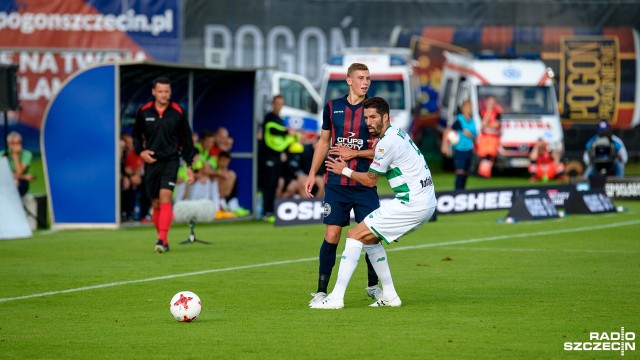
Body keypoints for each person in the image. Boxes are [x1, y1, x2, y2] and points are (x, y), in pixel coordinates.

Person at [311, 96, 437, 309]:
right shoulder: (397, 133)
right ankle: (389, 295)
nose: (368, 122)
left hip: (411, 204)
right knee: (370, 240)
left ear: (385, 117)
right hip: (424, 202)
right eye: (366, 117)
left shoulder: (386, 143)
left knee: (354, 235)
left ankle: (335, 298)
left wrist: (344, 170)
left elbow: (370, 180)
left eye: (373, 117)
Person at [304, 63, 382, 307]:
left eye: (368, 78)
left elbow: (383, 148)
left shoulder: (374, 110)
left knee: (371, 236)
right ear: (349, 80)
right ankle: (320, 291)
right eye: (360, 78)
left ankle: (373, 287)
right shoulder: (333, 107)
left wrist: (353, 153)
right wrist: (311, 173)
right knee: (332, 234)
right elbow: (324, 141)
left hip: (364, 182)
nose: (365, 82)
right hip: (336, 183)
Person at [133, 77, 196, 253]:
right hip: (152, 162)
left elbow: (187, 139)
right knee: (155, 202)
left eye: (167, 91)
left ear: (170, 92)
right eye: (160, 91)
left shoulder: (178, 111)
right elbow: (136, 135)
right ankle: (163, 240)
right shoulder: (144, 111)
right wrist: (141, 152)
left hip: (171, 160)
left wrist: (189, 165)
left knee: (165, 196)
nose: (164, 95)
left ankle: (161, 238)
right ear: (154, 92)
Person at [259, 95, 298, 222]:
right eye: (277, 103)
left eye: (281, 103)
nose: (278, 105)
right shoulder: (269, 118)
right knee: (268, 184)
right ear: (273, 103)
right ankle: (266, 212)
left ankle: (271, 211)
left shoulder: (280, 119)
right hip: (268, 156)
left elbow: (279, 141)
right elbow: (274, 132)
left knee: (275, 183)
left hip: (277, 156)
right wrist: (287, 132)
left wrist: (283, 151)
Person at [441, 100, 477, 190]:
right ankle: (457, 192)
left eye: (470, 107)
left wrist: (471, 135)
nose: (469, 109)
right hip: (460, 149)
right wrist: (444, 145)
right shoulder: (459, 120)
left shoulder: (473, 121)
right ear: (463, 109)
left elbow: (475, 136)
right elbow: (447, 130)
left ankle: (462, 191)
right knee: (460, 172)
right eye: (467, 107)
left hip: (469, 149)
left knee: (466, 172)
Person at [1, 131, 34, 197]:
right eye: (13, 143)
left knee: (15, 182)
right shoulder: (2, 154)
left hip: (20, 183)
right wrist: (24, 177)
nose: (16, 146)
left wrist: (15, 155)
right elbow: (3, 175)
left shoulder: (27, 154)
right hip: (5, 181)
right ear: (8, 144)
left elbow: (19, 172)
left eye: (18, 143)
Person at [476, 95, 502, 178]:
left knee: (489, 155)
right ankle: (482, 172)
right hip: (484, 137)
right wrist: (487, 114)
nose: (491, 104)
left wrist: (488, 125)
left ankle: (485, 173)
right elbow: (483, 124)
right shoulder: (483, 112)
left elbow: (496, 124)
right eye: (489, 102)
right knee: (483, 155)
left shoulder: (497, 113)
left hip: (493, 138)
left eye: (492, 102)